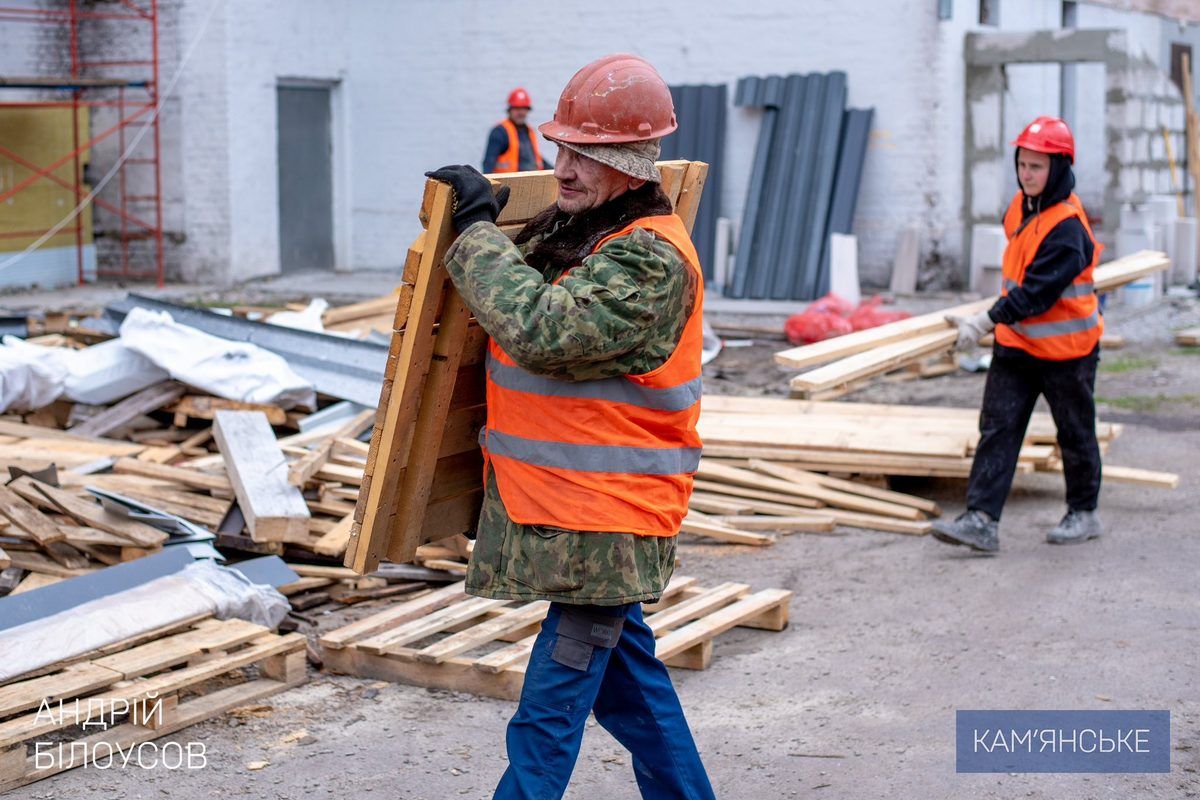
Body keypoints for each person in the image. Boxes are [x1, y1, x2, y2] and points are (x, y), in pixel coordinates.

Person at [425, 54, 715, 799]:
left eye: (583, 154)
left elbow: (543, 328)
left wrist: (477, 230)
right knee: (632, 696)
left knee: (545, 721)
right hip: (573, 520)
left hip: (604, 525)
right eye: (560, 149)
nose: (563, 168)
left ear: (627, 163)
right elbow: (520, 286)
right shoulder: (592, 231)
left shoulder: (648, 260)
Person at [933, 115, 1104, 554]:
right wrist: (988, 316)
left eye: (1037, 167)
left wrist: (983, 321)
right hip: (1017, 344)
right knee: (999, 428)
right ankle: (981, 520)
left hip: (1067, 351)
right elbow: (1017, 275)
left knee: (1075, 432)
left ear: (1060, 169)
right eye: (1023, 165)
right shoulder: (1020, 206)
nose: (1026, 175)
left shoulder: (1068, 229)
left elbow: (1036, 294)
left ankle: (1083, 512)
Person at [483, 87, 547, 173]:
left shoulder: (529, 131)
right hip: (508, 184)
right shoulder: (500, 132)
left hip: (532, 182)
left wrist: (554, 171)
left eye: (524, 109)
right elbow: (488, 162)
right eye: (517, 109)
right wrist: (489, 184)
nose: (521, 112)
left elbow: (537, 159)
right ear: (509, 110)